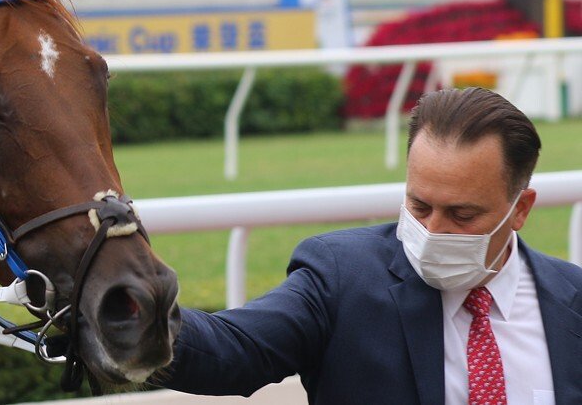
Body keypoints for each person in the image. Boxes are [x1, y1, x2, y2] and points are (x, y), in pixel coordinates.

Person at [156, 87, 582, 403]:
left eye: (462, 215)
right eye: (419, 205)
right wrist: (129, 313)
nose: (433, 230)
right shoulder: (342, 279)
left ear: (520, 209)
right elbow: (232, 349)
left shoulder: (571, 301)